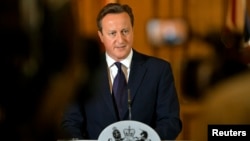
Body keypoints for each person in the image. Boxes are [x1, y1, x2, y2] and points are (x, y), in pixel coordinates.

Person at [60, 3, 182, 140]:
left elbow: (171, 122)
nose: (120, 40)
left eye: (125, 31)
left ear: (132, 30)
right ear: (101, 36)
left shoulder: (159, 70)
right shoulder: (84, 70)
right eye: (112, 33)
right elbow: (70, 122)